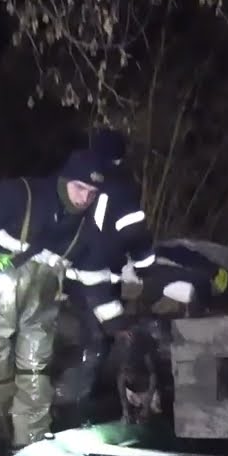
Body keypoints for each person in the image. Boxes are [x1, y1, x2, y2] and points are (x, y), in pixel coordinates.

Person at [0, 149, 108, 454]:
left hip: (42, 304)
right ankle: (4, 436)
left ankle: (30, 447)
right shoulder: (19, 195)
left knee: (35, 368)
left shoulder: (86, 232)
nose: (84, 198)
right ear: (65, 180)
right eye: (80, 188)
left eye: (92, 193)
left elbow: (95, 280)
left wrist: (118, 323)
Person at [50, 129, 154, 418]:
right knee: (98, 339)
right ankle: (70, 405)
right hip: (99, 276)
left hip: (67, 274)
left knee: (84, 335)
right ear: (121, 158)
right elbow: (136, 234)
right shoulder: (120, 188)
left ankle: (65, 397)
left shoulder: (77, 177)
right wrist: (147, 268)